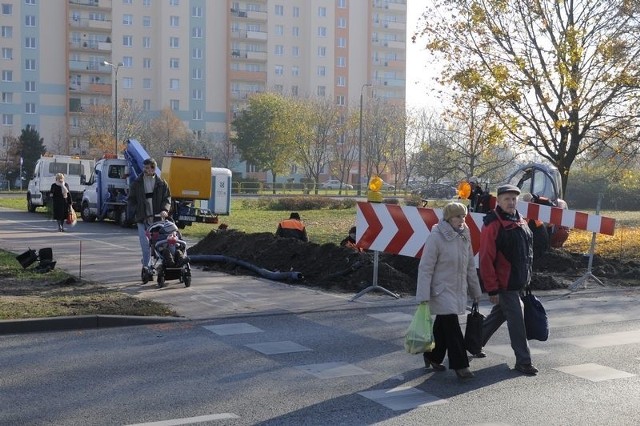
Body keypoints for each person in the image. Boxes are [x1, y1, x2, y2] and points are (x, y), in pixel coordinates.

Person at [416, 202, 482, 379]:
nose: (462, 220)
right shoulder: (436, 237)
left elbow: (470, 266)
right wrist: (423, 295)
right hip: (441, 290)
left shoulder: (464, 236)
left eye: (464, 216)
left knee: (443, 324)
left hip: (457, 289)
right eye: (458, 216)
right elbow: (426, 267)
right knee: (452, 325)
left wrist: (476, 291)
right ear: (448, 217)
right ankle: (460, 365)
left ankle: (433, 356)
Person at [479, 184, 538, 376]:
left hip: (518, 280)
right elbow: (486, 259)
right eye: (507, 199)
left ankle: (471, 344)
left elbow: (526, 252)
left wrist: (527, 278)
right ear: (499, 201)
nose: (511, 202)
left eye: (514, 199)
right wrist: (492, 289)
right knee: (517, 321)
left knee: (499, 315)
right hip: (505, 284)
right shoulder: (493, 224)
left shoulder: (519, 219)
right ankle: (524, 361)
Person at [127, 158, 172, 276]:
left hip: (157, 220)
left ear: (153, 169)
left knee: (159, 244)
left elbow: (167, 198)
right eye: (144, 168)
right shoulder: (137, 183)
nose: (145, 170)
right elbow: (131, 200)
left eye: (147, 168)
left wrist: (164, 210)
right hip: (142, 219)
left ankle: (164, 264)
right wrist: (137, 210)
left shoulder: (162, 183)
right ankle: (147, 267)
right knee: (145, 244)